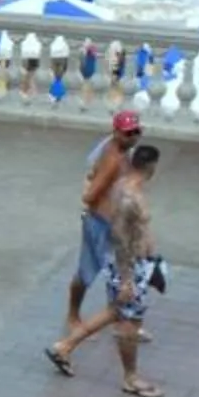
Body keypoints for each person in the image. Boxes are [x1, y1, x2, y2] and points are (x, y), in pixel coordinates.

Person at [47, 142, 165, 397]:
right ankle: (130, 378)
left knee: (115, 311)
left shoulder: (125, 188)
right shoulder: (130, 198)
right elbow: (122, 238)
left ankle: (64, 347)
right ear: (151, 167)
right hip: (129, 266)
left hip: (137, 264)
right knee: (128, 323)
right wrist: (127, 279)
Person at [63, 110, 144, 339]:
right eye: (128, 133)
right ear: (116, 132)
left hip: (115, 225)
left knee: (121, 274)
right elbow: (89, 195)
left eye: (136, 132)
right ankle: (73, 315)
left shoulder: (124, 152)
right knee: (87, 273)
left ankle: (122, 319)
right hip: (100, 223)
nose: (133, 137)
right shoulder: (113, 158)